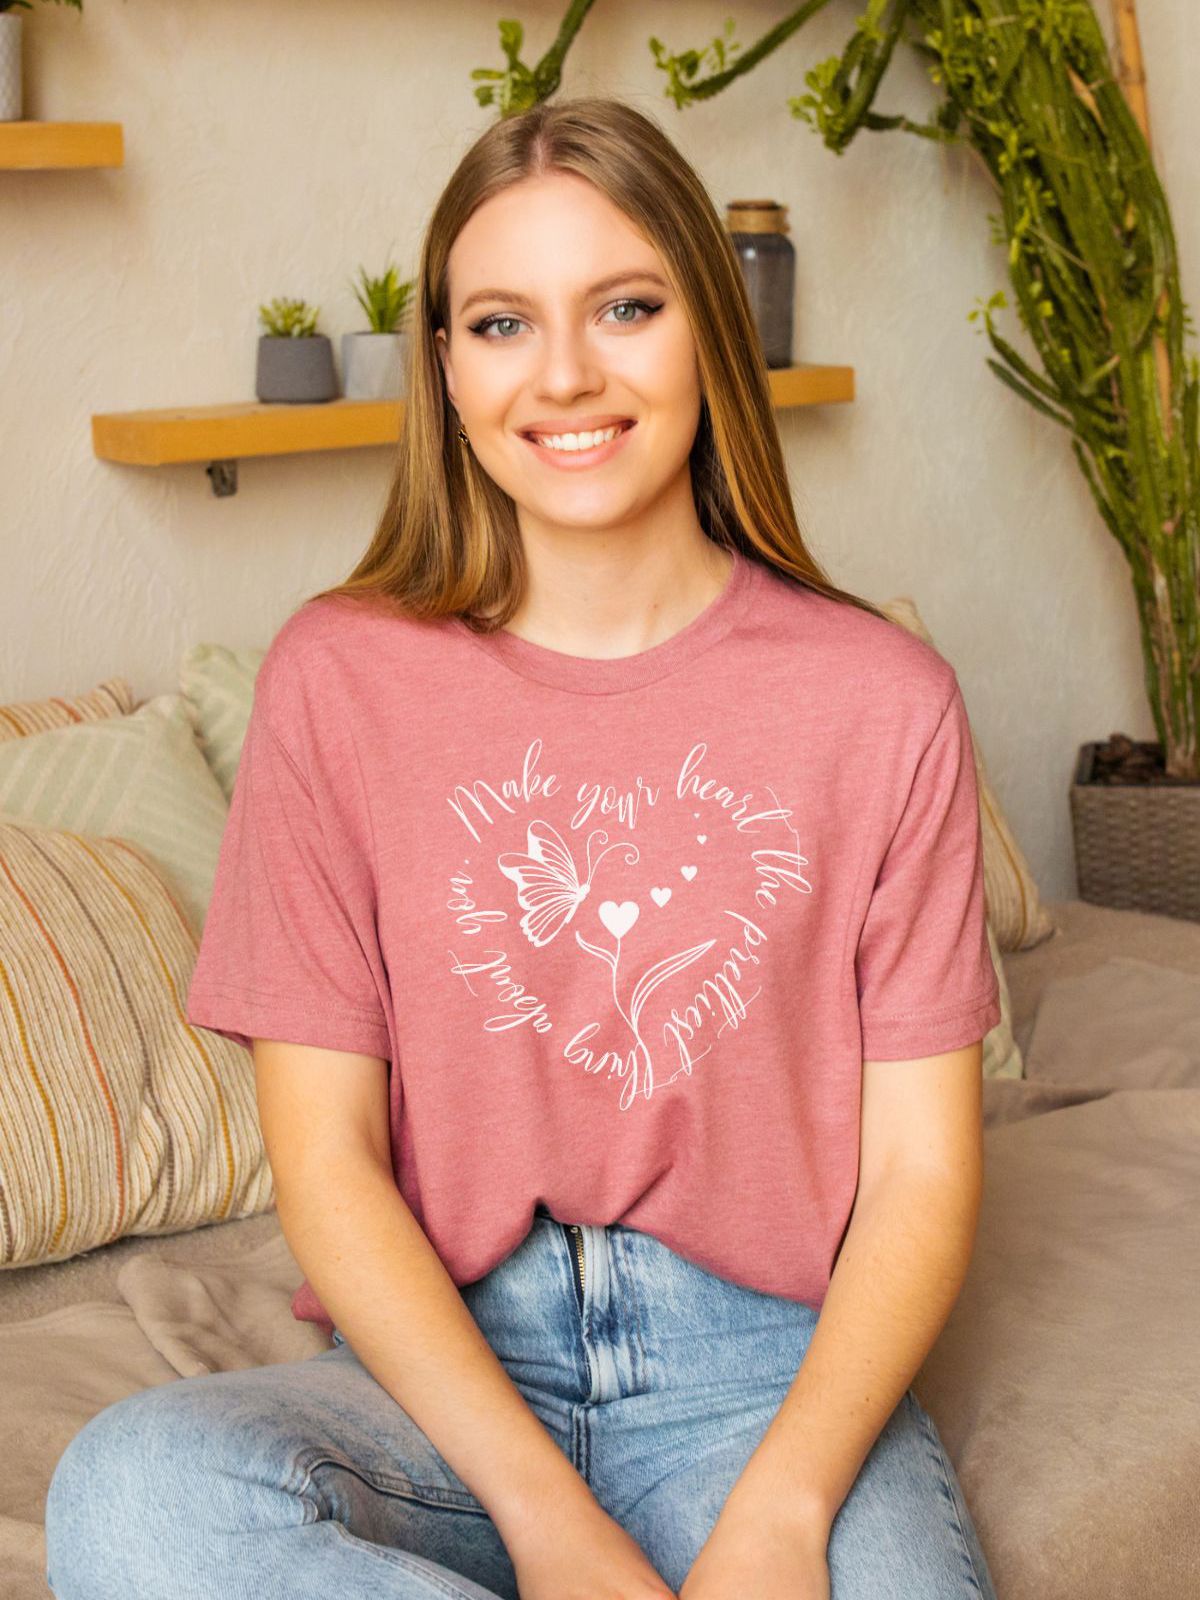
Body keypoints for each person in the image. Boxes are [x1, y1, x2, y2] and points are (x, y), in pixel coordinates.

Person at [44, 94, 1001, 1600]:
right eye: (501, 324)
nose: (565, 375)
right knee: (136, 1500)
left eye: (626, 306)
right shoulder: (338, 682)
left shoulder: (881, 702)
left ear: (710, 330)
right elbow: (328, 1160)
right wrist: (553, 1534)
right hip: (439, 1375)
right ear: (444, 365)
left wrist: (784, 1509)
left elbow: (925, 1175)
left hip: (763, 1381)